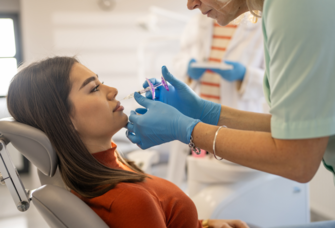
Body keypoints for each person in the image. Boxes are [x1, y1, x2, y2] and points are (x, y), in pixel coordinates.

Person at [126, 1, 335, 227]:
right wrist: (206, 112)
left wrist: (188, 130)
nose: (190, 4)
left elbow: (297, 159)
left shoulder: (292, 7)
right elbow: (294, 126)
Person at [7, 56, 251, 228]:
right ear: (64, 120)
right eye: (94, 89)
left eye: (101, 82)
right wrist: (189, 126)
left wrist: (203, 224)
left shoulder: (105, 172)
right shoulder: (129, 200)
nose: (112, 90)